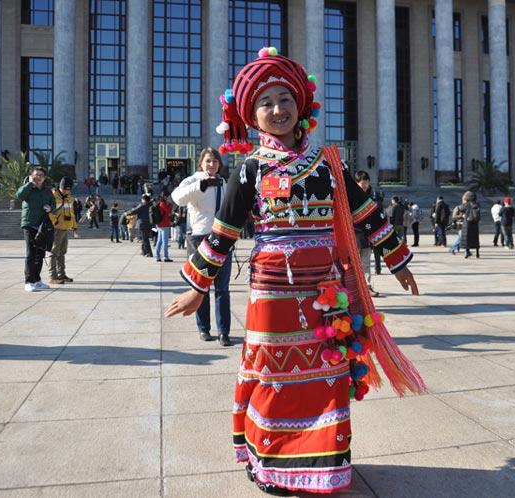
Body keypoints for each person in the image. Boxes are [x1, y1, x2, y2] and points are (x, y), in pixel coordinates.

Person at [164, 48, 419, 495]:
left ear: (301, 106)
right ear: (252, 116)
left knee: (326, 374)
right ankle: (271, 464)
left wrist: (397, 260)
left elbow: (367, 214)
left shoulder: (329, 164)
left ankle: (324, 464)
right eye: (266, 103)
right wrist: (199, 288)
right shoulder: (250, 170)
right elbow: (223, 231)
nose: (277, 109)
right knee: (274, 375)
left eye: (285, 98)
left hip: (325, 290)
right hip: (272, 295)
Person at [171, 147, 232, 345]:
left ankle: (224, 331)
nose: (211, 164)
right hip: (199, 238)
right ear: (201, 163)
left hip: (222, 238)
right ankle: (203, 328)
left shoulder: (224, 182)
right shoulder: (193, 180)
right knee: (201, 287)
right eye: (208, 161)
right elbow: (177, 198)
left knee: (222, 288)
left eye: (215, 161)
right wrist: (201, 185)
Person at [16, 166, 55, 292]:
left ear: (44, 178)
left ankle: (37, 280)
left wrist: (51, 208)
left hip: (42, 226)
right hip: (29, 224)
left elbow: (53, 202)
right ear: (31, 176)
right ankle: (28, 281)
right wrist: (29, 184)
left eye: (41, 175)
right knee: (31, 253)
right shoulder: (28, 188)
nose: (38, 177)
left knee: (40, 254)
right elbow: (19, 195)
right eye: (36, 175)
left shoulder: (47, 191)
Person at [48, 176, 79, 284]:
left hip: (65, 228)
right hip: (56, 228)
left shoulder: (69, 198)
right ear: (60, 187)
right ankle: (53, 276)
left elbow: (72, 213)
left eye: (69, 189)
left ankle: (62, 274)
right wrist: (55, 222)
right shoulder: (52, 196)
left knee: (62, 252)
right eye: (65, 189)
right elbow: (49, 212)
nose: (67, 191)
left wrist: (75, 227)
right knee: (54, 252)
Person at [354, 170, 379, 297]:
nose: (364, 185)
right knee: (354, 264)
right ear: (357, 183)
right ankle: (355, 287)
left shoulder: (372, 197)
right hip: (355, 235)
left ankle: (367, 287)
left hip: (368, 236)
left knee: (366, 263)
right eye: (362, 183)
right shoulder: (351, 198)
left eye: (366, 182)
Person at [154, 193, 174, 262]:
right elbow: (169, 211)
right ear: (165, 197)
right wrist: (170, 204)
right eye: (169, 197)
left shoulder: (161, 203)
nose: (170, 198)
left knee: (160, 241)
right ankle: (166, 257)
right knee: (165, 242)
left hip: (161, 225)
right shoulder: (163, 204)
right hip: (164, 224)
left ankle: (157, 256)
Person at [462, 191, 480, 259]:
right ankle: (477, 253)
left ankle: (467, 252)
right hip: (475, 223)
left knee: (467, 239)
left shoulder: (466, 204)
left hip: (467, 223)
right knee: (475, 238)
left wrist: (463, 200)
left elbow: (460, 208)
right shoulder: (477, 204)